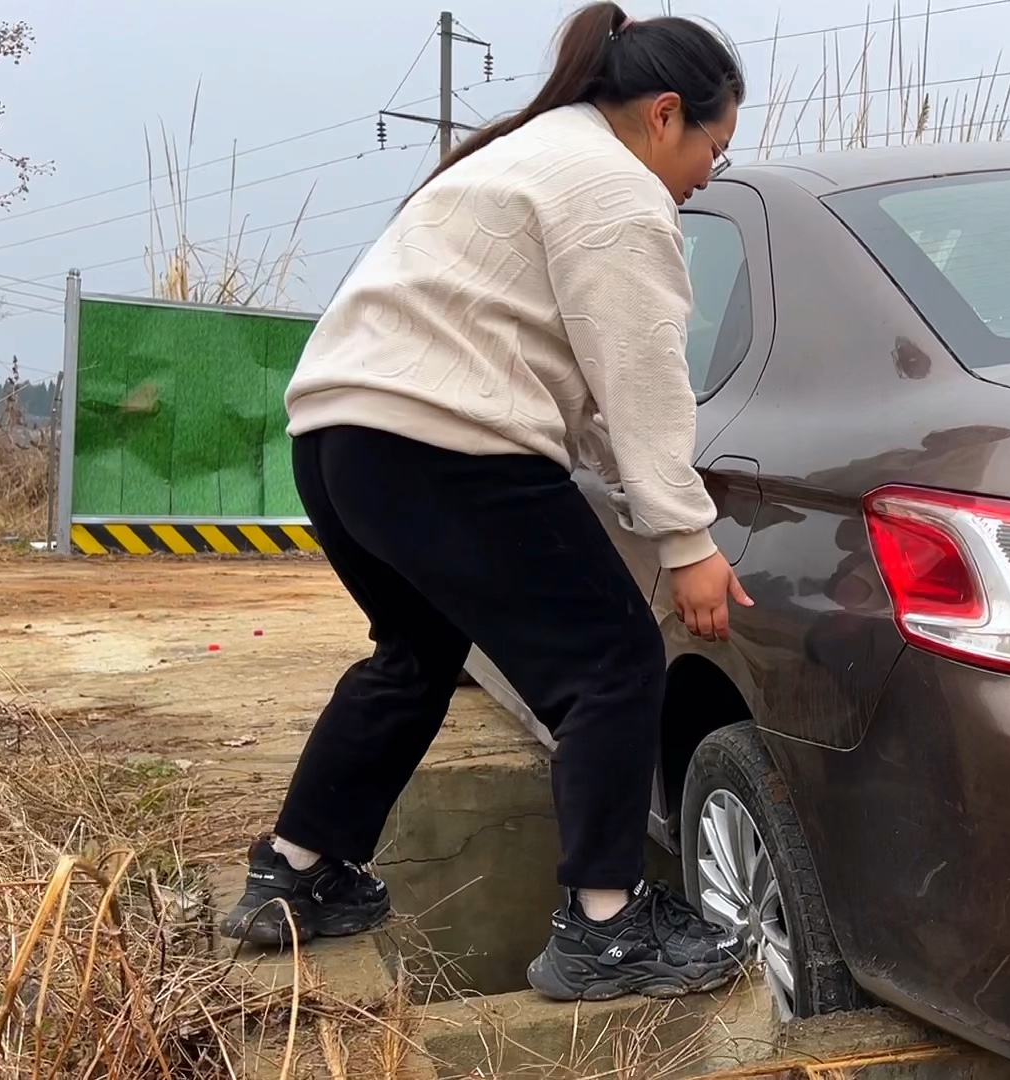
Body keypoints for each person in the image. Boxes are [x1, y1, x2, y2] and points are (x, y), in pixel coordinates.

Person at [219, 1, 756, 1004]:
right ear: (666, 114)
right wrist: (688, 539)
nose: (705, 178)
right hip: (445, 446)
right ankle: (606, 929)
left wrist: (641, 482)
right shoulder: (618, 192)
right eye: (713, 151)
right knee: (612, 661)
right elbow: (641, 376)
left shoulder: (527, 154)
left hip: (340, 443)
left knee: (418, 655)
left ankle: (294, 877)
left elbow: (572, 378)